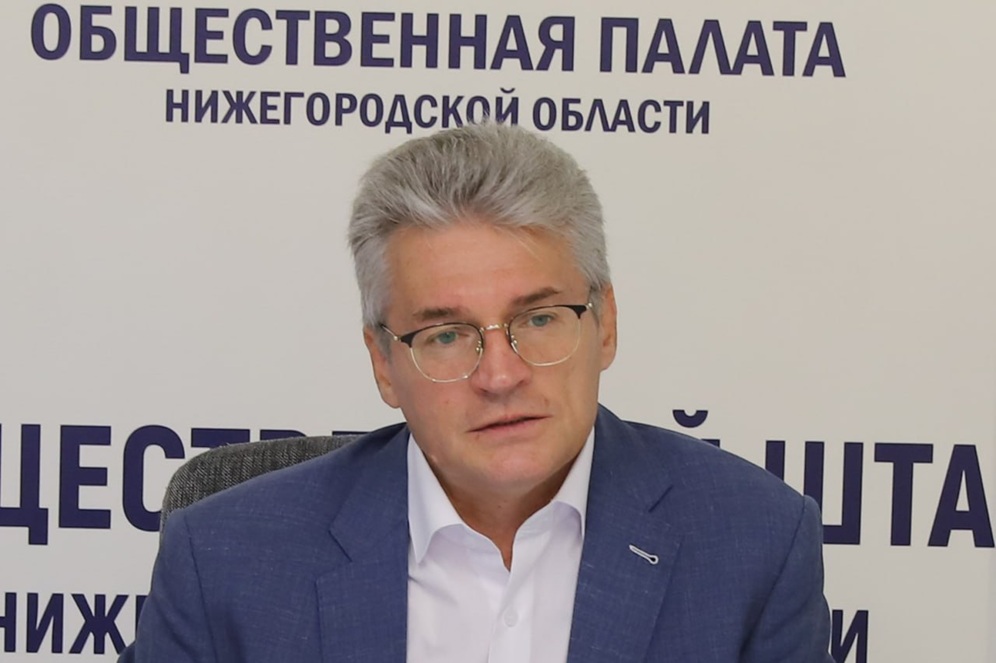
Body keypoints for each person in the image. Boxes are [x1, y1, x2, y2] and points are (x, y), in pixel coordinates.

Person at [121, 122, 833, 662]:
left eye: (540, 319)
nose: (499, 375)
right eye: (446, 335)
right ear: (383, 363)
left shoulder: (754, 543)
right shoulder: (226, 559)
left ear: (606, 325)